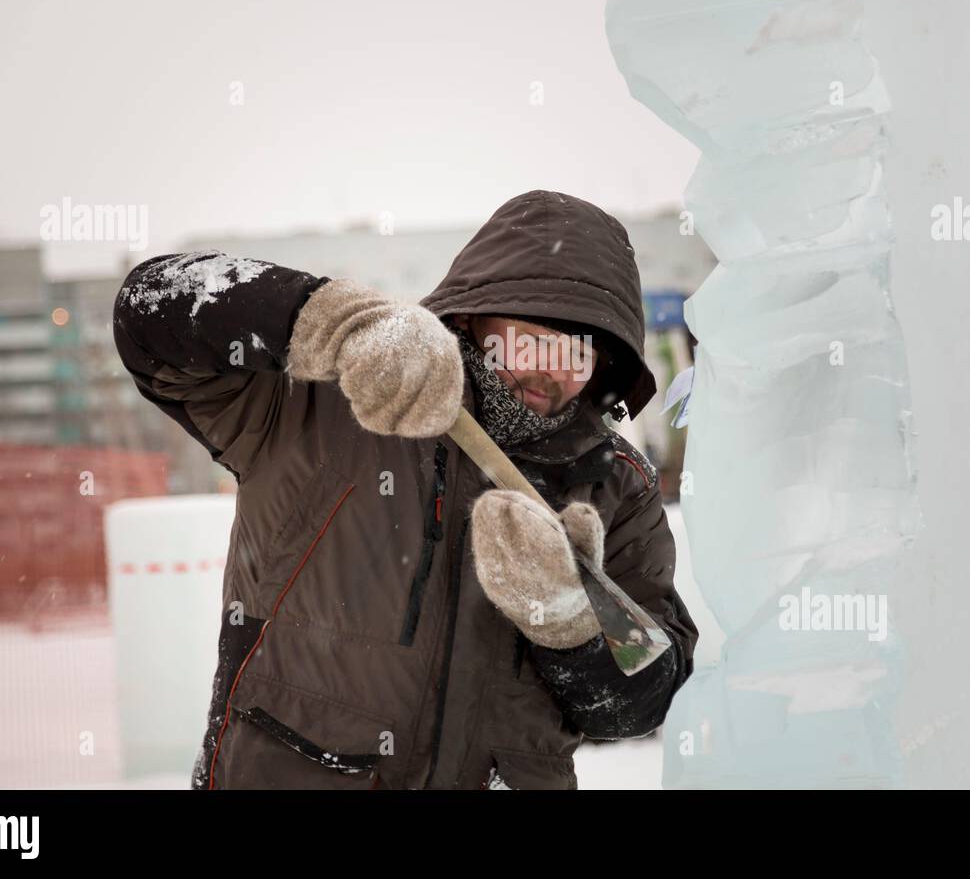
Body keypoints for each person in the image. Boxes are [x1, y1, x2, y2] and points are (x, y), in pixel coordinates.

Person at [113, 188, 698, 789]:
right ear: (474, 316)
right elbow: (146, 308)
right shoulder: (321, 404)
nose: (550, 369)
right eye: (529, 340)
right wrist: (327, 322)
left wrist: (570, 622)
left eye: (579, 355)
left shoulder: (617, 483)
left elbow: (643, 702)